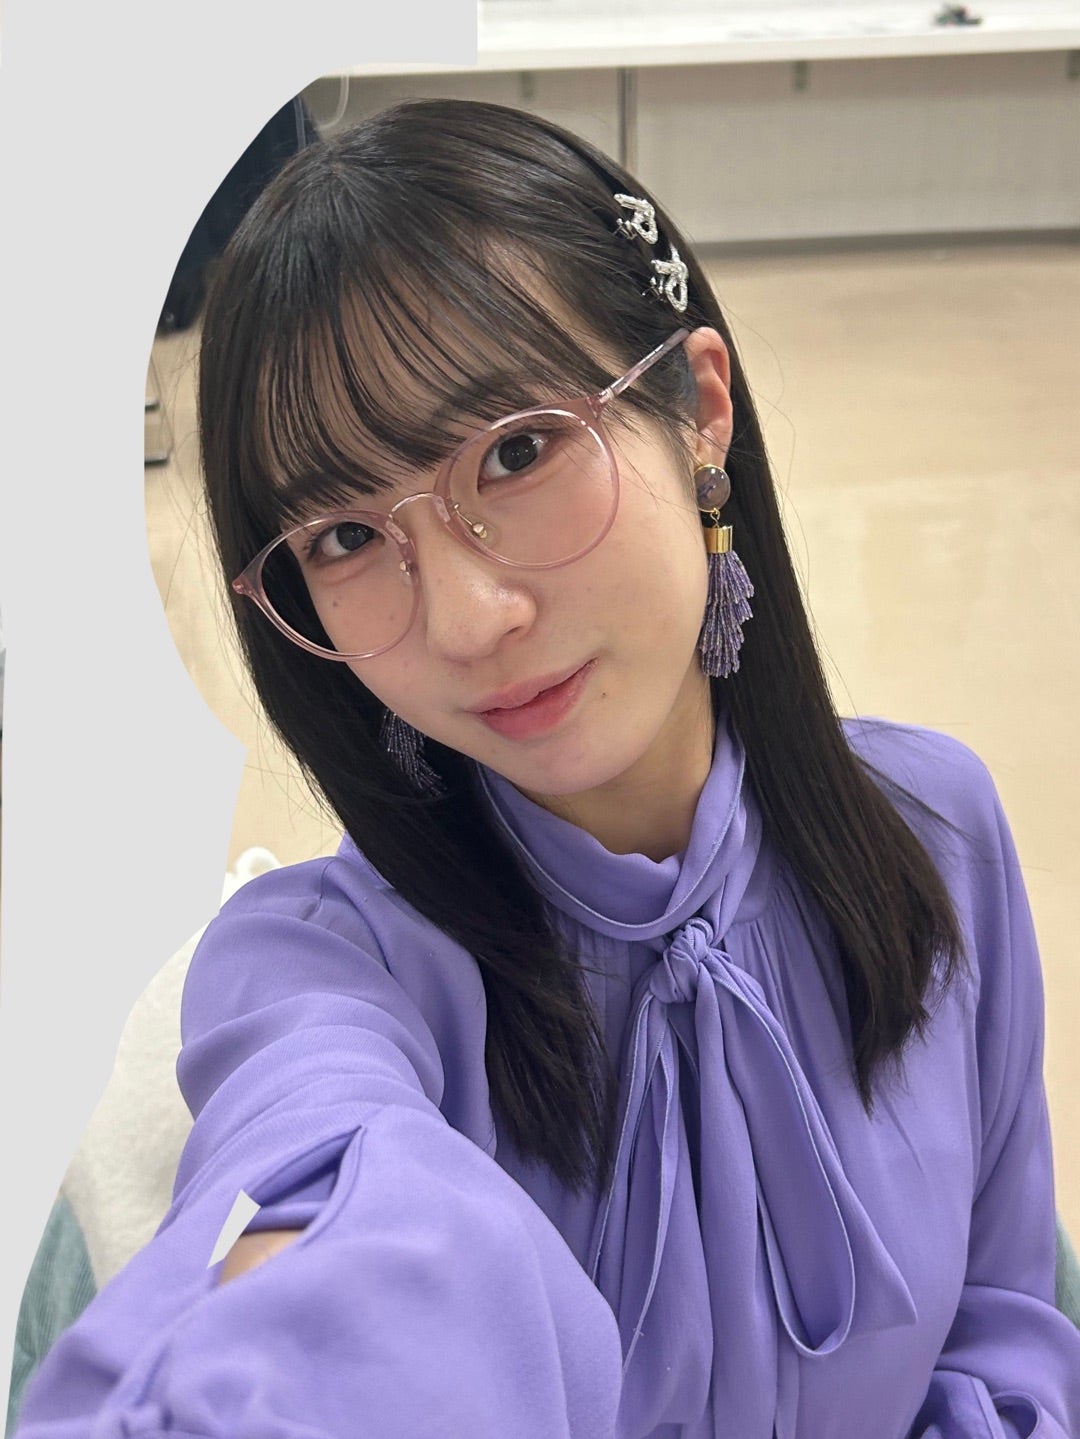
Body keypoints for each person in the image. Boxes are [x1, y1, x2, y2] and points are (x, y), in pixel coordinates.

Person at [12, 99, 1080, 1439]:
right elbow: (330, 1214)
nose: (468, 620)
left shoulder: (935, 829)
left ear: (699, 409)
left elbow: (1004, 1325)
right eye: (345, 538)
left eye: (518, 451)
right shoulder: (321, 967)